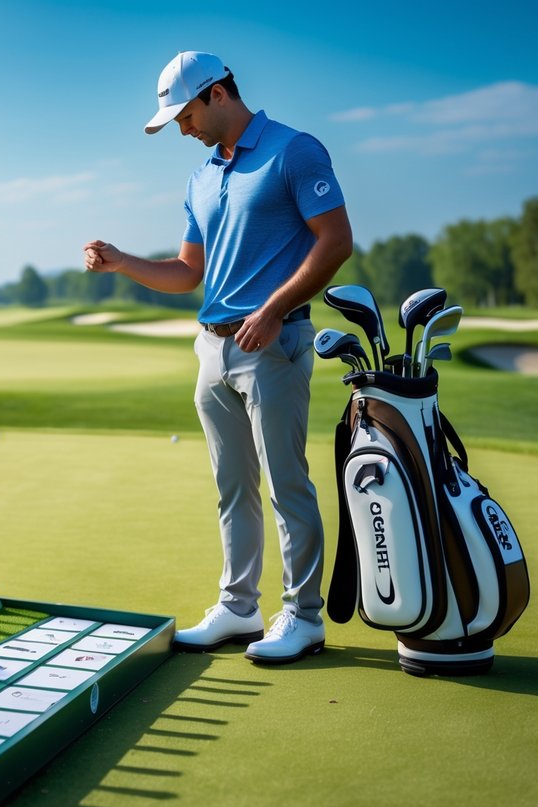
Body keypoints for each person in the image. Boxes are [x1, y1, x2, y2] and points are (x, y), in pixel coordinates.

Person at [84, 51, 352, 664]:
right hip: (213, 347)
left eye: (184, 114)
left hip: (273, 345)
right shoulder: (202, 175)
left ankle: (304, 617)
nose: (181, 128)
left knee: (286, 483)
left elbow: (336, 241)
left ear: (217, 95)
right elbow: (187, 272)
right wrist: (124, 260)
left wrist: (277, 308)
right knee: (233, 487)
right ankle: (239, 608)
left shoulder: (294, 150)